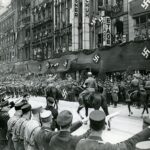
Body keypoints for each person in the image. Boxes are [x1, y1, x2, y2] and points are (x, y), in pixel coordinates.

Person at [76, 110, 150, 150]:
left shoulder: (80, 144)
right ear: (104, 127)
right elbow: (129, 144)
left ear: (90, 126)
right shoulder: (107, 147)